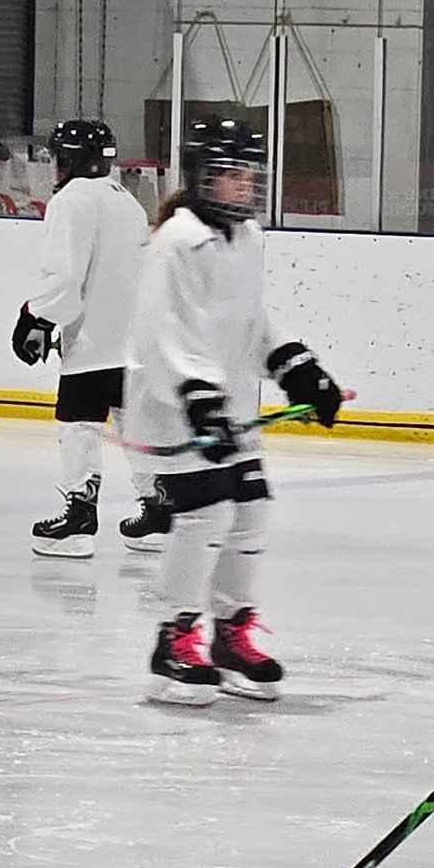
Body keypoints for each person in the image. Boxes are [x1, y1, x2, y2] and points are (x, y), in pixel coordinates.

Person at [123, 116, 349, 706]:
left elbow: (251, 322)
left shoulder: (245, 239)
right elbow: (159, 333)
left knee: (248, 509)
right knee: (205, 516)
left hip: (224, 411)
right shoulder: (174, 242)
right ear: (202, 179)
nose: (246, 186)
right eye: (232, 176)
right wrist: (197, 399)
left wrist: (298, 368)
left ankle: (230, 634)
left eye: (251, 174)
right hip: (174, 413)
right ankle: (173, 640)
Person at [11, 119, 168, 556]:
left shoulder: (72, 201)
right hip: (133, 345)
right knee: (132, 423)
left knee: (78, 425)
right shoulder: (127, 202)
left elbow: (64, 275)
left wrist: (36, 319)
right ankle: (158, 511)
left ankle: (79, 521)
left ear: (70, 160)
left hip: (91, 342)